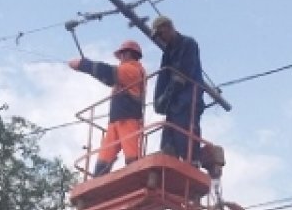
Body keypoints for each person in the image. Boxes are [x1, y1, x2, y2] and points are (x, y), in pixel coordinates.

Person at [69, 40, 147, 176]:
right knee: (104, 156)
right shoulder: (127, 72)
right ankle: (97, 181)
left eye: (122, 55)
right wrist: (90, 69)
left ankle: (137, 178)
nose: (120, 59)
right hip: (115, 122)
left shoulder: (132, 70)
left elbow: (108, 72)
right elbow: (108, 77)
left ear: (128, 54)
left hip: (129, 120)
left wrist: (84, 65)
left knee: (132, 156)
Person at [150, 15, 204, 162]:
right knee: (169, 137)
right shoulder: (167, 53)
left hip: (189, 97)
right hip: (174, 102)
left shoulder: (188, 44)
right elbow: (163, 78)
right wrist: (159, 101)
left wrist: (166, 98)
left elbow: (182, 75)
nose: (160, 39)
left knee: (185, 133)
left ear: (168, 27)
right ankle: (168, 161)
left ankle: (192, 160)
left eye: (160, 34)